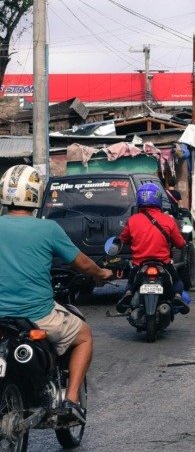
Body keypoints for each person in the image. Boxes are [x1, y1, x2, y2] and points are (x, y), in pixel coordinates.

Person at [0, 165, 113, 424]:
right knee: (84, 335)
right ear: (35, 195)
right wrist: (100, 274)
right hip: (37, 316)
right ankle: (71, 401)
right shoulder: (48, 229)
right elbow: (82, 263)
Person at [116, 183, 189, 314]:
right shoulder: (168, 220)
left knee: (131, 283)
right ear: (158, 199)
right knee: (177, 281)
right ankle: (177, 296)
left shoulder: (132, 220)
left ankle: (128, 294)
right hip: (163, 263)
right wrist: (183, 243)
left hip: (139, 263)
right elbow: (179, 243)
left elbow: (123, 239)